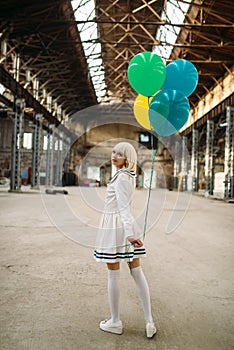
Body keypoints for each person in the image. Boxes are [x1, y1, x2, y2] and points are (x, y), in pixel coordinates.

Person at [94, 142, 156, 338]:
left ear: (127, 158)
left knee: (114, 274)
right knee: (137, 272)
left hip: (116, 227)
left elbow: (122, 208)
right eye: (114, 152)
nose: (114, 155)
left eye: (120, 154)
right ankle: (149, 322)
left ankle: (115, 321)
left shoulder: (121, 178)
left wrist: (129, 233)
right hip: (124, 225)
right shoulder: (127, 176)